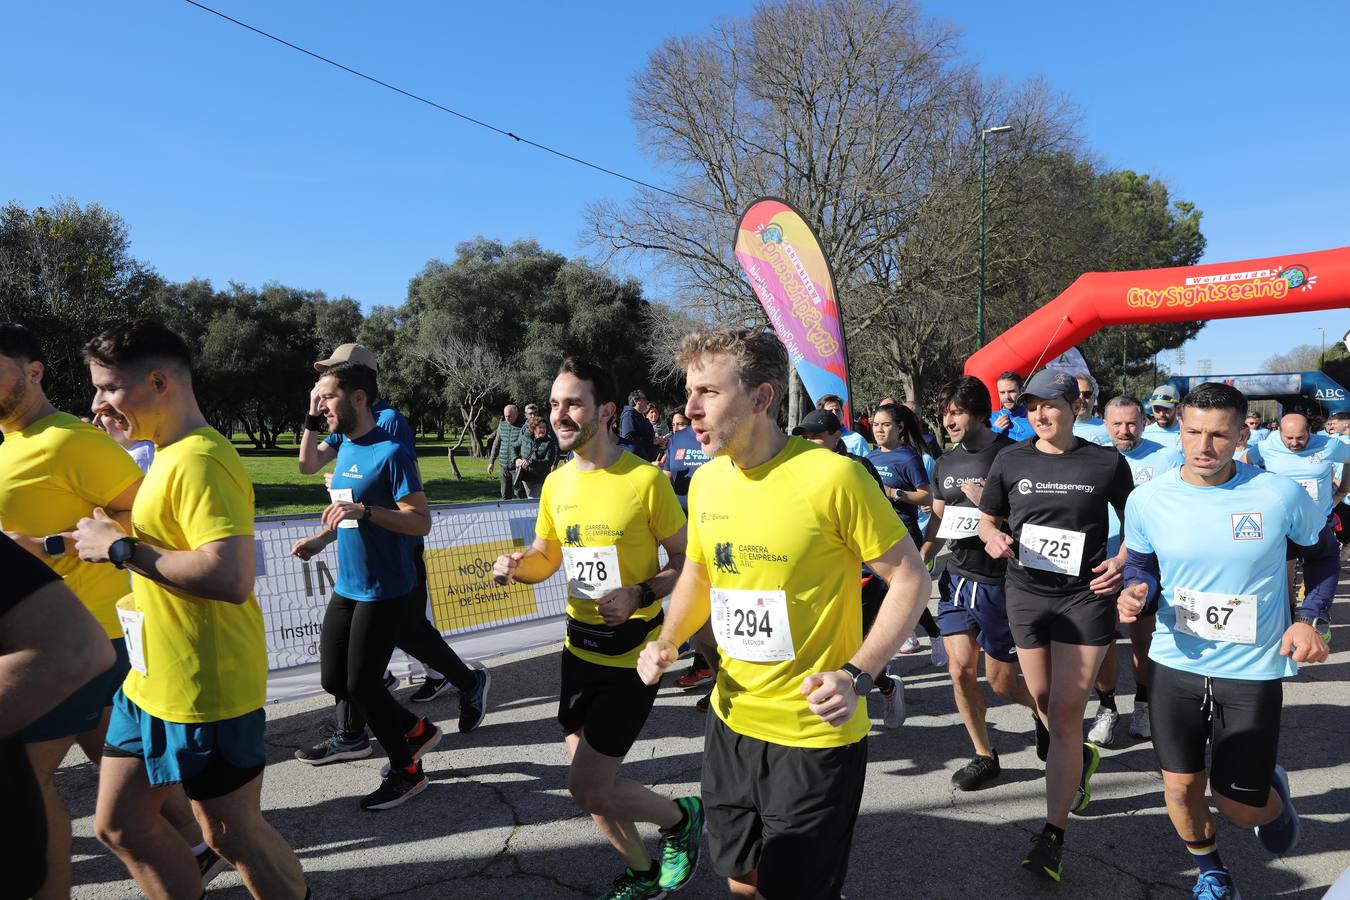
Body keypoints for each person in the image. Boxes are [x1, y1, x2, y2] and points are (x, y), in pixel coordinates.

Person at [637, 327, 932, 900]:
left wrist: (857, 674)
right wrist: (669, 637)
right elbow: (699, 570)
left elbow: (910, 579)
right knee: (741, 881)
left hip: (813, 732)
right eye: (689, 391)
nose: (690, 408)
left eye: (708, 392)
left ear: (761, 398)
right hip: (732, 721)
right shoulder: (705, 482)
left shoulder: (833, 477)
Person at [73, 320, 309, 900]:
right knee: (119, 825)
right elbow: (171, 540)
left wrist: (121, 550)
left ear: (158, 382)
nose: (97, 403)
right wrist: (118, 531)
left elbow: (229, 576)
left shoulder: (203, 460)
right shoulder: (162, 455)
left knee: (232, 836)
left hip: (208, 688)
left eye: (108, 389)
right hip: (151, 680)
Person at [0, 324, 227, 899]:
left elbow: (144, 520)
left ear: (33, 371)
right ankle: (201, 847)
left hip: (82, 640)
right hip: (61, 637)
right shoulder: (7, 444)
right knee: (124, 774)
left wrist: (49, 547)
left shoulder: (69, 440)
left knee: (30, 775)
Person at [491, 358, 698, 900]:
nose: (558, 414)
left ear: (605, 412)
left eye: (572, 403)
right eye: (555, 403)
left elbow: (686, 561)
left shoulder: (645, 481)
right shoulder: (556, 485)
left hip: (631, 658)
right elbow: (545, 557)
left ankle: (680, 819)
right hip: (577, 651)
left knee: (586, 787)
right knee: (593, 789)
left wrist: (640, 592)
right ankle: (642, 873)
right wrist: (519, 567)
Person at [1119, 382, 1329, 900]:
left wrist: (1309, 617)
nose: (1203, 446)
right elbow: (1142, 565)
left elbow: (1322, 555)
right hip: (1174, 659)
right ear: (1178, 431)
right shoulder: (1148, 498)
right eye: (1193, 432)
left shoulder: (1276, 493)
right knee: (1180, 786)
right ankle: (1211, 871)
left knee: (1236, 806)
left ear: (1241, 435)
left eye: (1218, 435)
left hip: (1253, 667)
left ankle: (1268, 797)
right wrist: (1135, 592)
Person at [977, 368, 1134, 883]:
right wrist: (991, 538)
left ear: (1075, 408)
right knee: (1043, 701)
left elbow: (1139, 524)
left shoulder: (1105, 462)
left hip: (1083, 598)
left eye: (1049, 406)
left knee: (1065, 715)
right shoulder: (1011, 459)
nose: (1039, 415)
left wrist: (1124, 559)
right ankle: (1079, 760)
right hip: (1025, 593)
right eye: (1031, 408)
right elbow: (989, 517)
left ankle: (1053, 834)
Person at [295, 343, 487, 761]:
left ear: (358, 385)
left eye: (328, 383)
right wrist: (325, 538)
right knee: (375, 656)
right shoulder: (345, 435)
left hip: (395, 560)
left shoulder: (389, 427)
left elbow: (398, 500)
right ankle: (442, 700)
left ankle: (368, 735)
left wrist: (365, 512)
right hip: (358, 568)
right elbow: (312, 469)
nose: (321, 393)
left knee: (390, 649)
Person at [291, 361, 442, 810]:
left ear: (358, 397)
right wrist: (322, 538)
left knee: (363, 683)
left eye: (328, 397)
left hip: (387, 588)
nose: (321, 406)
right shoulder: (344, 448)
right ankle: (417, 730)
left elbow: (421, 522)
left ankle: (407, 770)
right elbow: (345, 510)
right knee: (335, 679)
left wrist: (369, 513)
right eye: (317, 398)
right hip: (350, 585)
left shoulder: (392, 452)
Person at [920, 377, 1038, 790]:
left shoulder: (1011, 454)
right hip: (958, 578)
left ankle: (1042, 715)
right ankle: (984, 755)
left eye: (956, 412)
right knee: (960, 672)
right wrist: (922, 558)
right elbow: (937, 517)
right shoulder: (946, 462)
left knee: (1003, 682)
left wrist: (986, 502)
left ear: (979, 413)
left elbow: (1033, 517)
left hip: (1000, 581)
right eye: (945, 413)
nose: (948, 420)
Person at [0, 533, 117, 900]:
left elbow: (77, 647)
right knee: (127, 793)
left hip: (100, 628)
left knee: (43, 775)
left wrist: (49, 542)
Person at [793, 409, 907, 729]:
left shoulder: (857, 468)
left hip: (862, 574)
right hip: (818, 573)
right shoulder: (797, 469)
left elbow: (877, 521)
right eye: (806, 436)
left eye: (818, 435)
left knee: (854, 647)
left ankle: (884, 685)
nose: (811, 442)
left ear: (836, 437)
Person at [1088, 395, 1184, 747]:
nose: (1125, 431)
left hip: (1144, 564)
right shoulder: (1094, 458)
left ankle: (1143, 703)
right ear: (1105, 424)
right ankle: (1107, 707)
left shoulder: (1168, 456)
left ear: (1144, 422)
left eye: (1132, 423)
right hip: (1100, 562)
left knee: (1143, 641)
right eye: (1117, 424)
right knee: (1101, 641)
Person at [1245, 413, 1350, 642]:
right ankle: (1287, 621)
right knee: (1283, 576)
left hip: (1317, 522)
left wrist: (1342, 490)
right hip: (1281, 525)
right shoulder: (1267, 446)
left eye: (1300, 438)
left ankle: (1315, 619)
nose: (1294, 443)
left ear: (1310, 432)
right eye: (1289, 438)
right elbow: (1242, 464)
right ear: (1279, 433)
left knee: (1320, 568)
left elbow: (1348, 459)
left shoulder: (1328, 445)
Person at [868, 403, 945, 662]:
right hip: (876, 530)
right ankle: (914, 632)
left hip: (904, 530)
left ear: (899, 428)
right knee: (886, 590)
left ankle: (931, 633)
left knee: (903, 588)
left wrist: (893, 493)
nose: (879, 429)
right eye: (876, 424)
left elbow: (926, 495)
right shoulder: (871, 458)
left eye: (885, 424)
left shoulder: (907, 456)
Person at [662, 406, 716, 692]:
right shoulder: (678, 439)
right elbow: (668, 477)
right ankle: (705, 664)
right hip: (683, 530)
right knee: (693, 596)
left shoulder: (719, 437)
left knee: (709, 600)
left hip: (715, 528)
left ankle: (707, 667)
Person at [514, 413, 560, 499]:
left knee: (533, 498)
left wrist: (532, 462)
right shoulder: (525, 437)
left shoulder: (549, 443)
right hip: (525, 476)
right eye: (540, 427)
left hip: (539, 477)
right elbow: (514, 447)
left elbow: (548, 462)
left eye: (544, 427)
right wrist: (516, 459)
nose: (543, 430)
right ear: (534, 428)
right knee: (527, 498)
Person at [487, 403, 528, 499]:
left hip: (517, 467)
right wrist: (491, 462)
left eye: (510, 416)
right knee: (505, 495)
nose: (507, 418)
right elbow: (496, 445)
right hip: (503, 466)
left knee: (519, 494)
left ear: (516, 415)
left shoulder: (524, 426)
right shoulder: (502, 425)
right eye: (506, 416)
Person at [991, 371, 1036, 441]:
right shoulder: (990, 419)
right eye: (1002, 392)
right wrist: (994, 431)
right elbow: (978, 448)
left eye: (1011, 391)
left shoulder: (1036, 416)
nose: (1007, 397)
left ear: (1022, 390)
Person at [617, 389, 659, 462]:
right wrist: (651, 440)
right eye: (645, 399)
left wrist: (658, 441)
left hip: (648, 460)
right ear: (636, 401)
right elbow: (628, 439)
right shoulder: (629, 415)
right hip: (638, 463)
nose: (647, 402)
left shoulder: (640, 416)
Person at [1070, 374, 1111, 446]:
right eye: (1077, 394)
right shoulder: (1057, 429)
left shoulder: (1109, 428)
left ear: (1094, 398)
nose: (1081, 400)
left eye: (1087, 395)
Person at [1144, 383, 1183, 450]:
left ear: (1178, 408)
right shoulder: (1143, 434)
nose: (1161, 414)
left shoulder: (1187, 433)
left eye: (1166, 408)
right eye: (1157, 409)